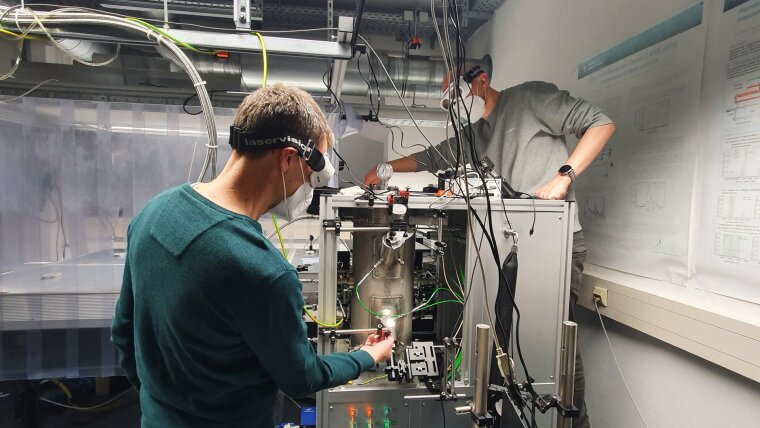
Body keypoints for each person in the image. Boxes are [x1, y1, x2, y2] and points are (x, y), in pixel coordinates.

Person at [112, 83, 395, 428]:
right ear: (289, 158)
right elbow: (301, 377)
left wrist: (162, 404)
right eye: (311, 175)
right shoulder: (260, 270)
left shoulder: (153, 213)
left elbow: (123, 335)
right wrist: (366, 356)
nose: (308, 187)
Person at [364, 66, 615, 428]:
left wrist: (563, 178)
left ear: (481, 81)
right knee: (505, 343)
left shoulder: (529, 97)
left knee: (556, 344)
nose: (456, 105)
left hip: (553, 244)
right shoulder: (477, 134)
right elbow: (434, 157)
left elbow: (600, 122)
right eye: (449, 101)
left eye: (458, 95)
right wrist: (385, 166)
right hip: (507, 249)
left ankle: (575, 423)